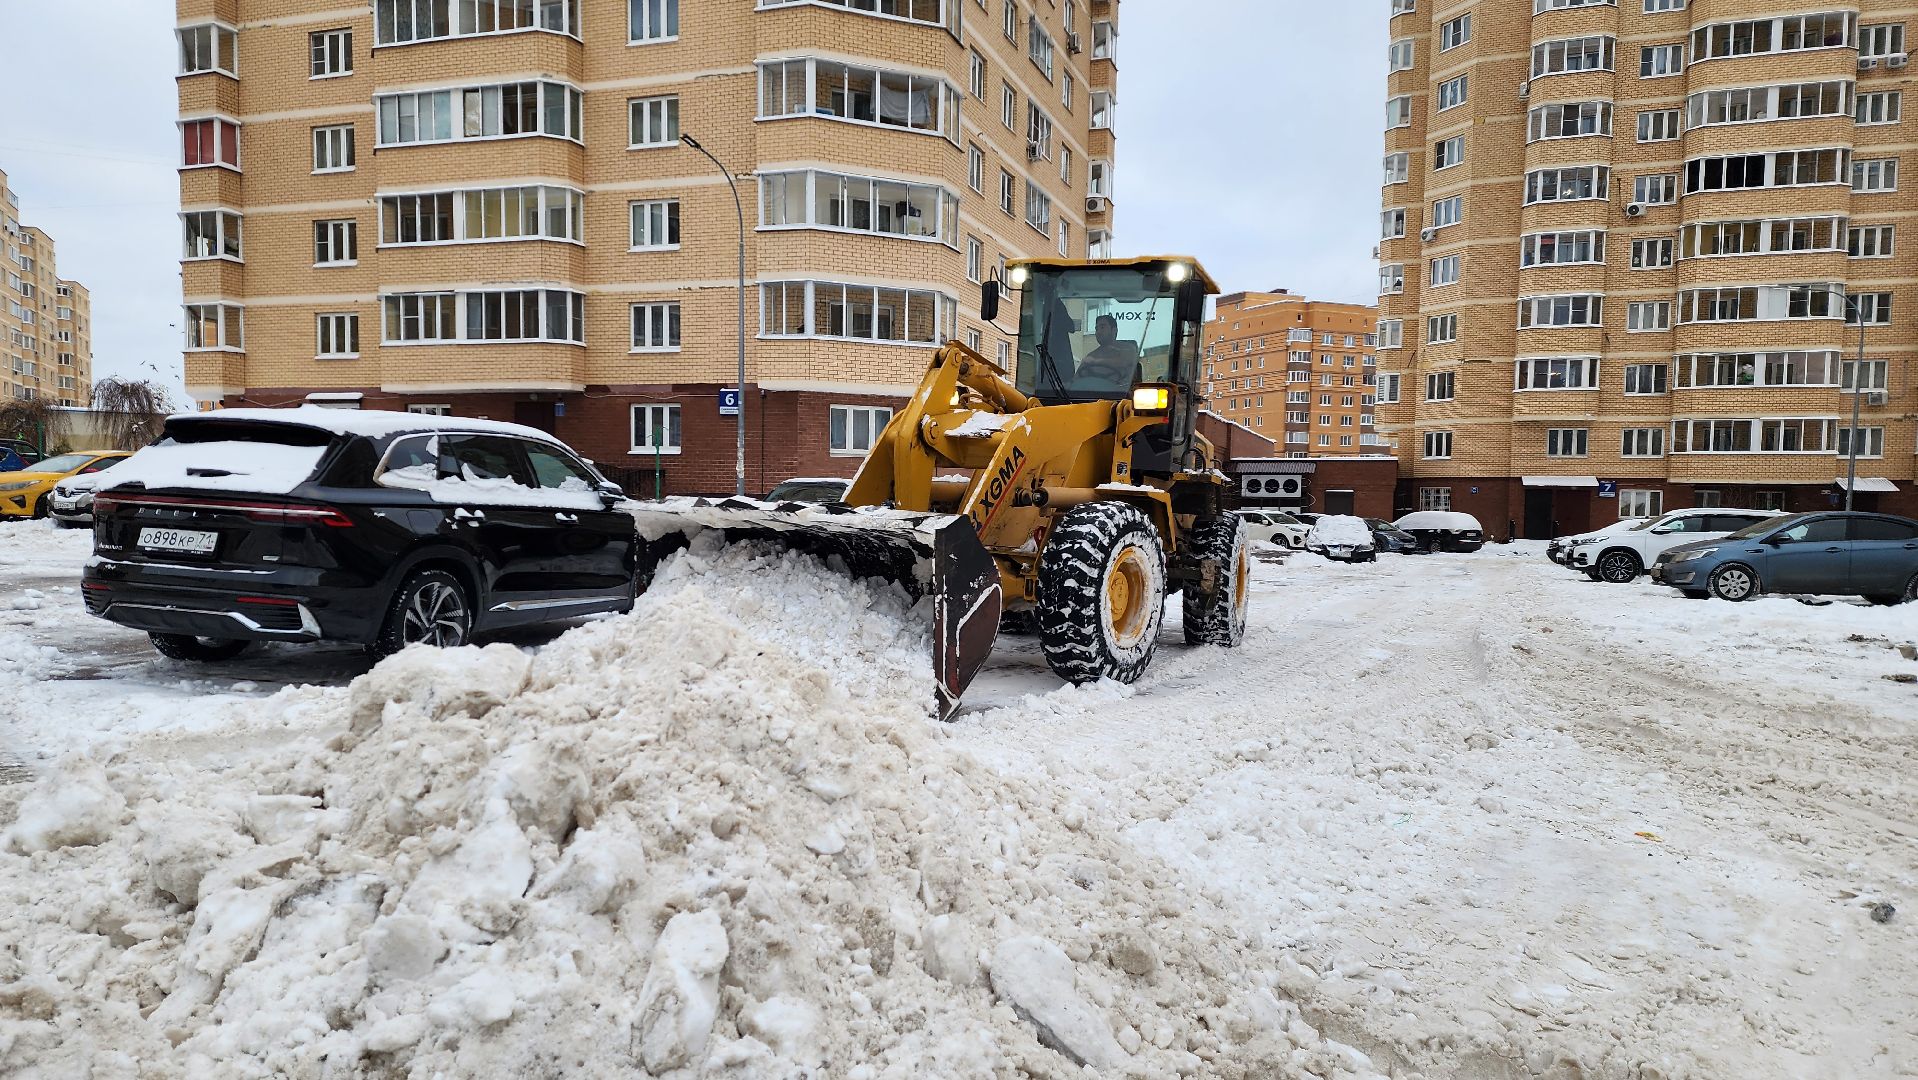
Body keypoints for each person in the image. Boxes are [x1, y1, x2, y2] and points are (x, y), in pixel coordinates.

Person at [1076, 314, 1138, 387]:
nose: (1098, 332)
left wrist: (1095, 361)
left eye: (1102, 327)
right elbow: (1076, 380)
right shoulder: (1092, 355)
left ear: (1114, 330)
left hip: (1121, 394)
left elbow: (1124, 361)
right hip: (1092, 395)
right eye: (1096, 329)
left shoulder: (1129, 349)